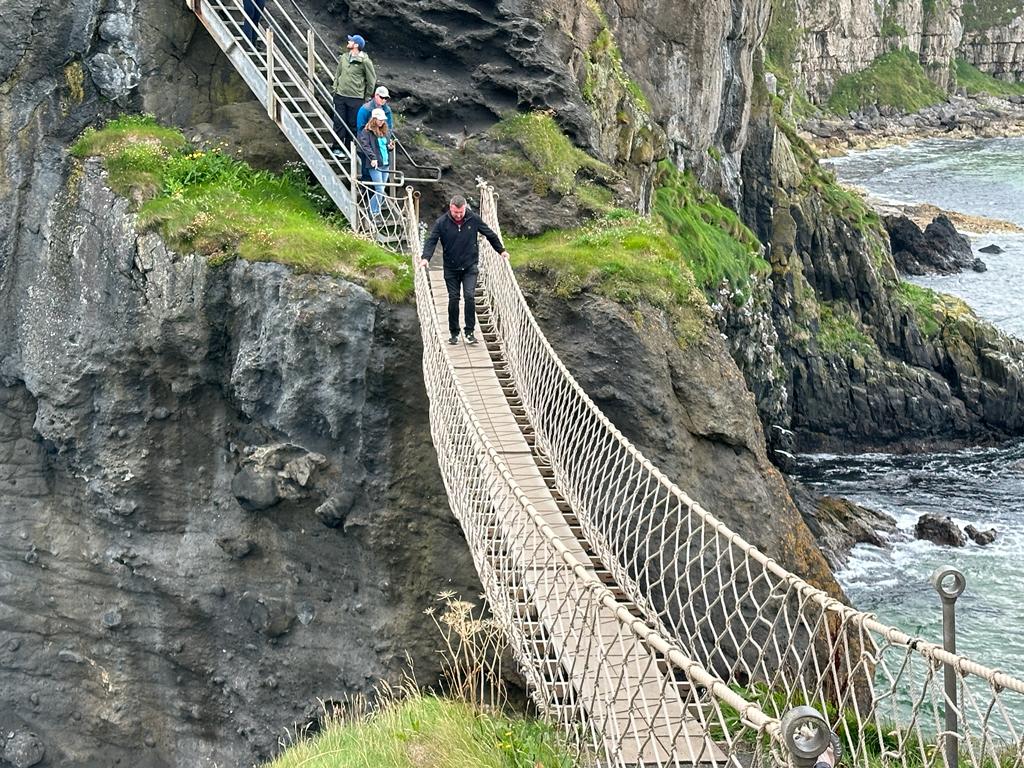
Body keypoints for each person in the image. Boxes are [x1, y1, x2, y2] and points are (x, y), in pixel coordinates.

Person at [419, 195, 510, 345]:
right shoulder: (442, 223)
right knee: (453, 299)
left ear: (465, 208)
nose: (459, 215)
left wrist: (501, 251)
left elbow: (490, 234)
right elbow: (431, 241)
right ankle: (454, 333)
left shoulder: (473, 219)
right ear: (450, 208)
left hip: (470, 266)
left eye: (461, 212)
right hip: (451, 268)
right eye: (456, 212)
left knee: (469, 296)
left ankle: (469, 332)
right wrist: (425, 258)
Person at [332, 34, 376, 155]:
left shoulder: (365, 62)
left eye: (351, 40)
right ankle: (337, 148)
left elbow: (371, 80)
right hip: (340, 96)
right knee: (338, 122)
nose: (348, 41)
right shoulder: (344, 58)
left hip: (356, 98)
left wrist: (366, 96)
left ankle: (348, 150)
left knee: (352, 125)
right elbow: (338, 74)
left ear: (356, 45)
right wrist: (335, 88)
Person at [357, 108, 392, 217]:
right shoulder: (366, 131)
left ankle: (375, 210)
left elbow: (384, 146)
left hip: (385, 163)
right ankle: (372, 211)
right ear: (374, 119)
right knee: (380, 189)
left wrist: (390, 147)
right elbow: (365, 146)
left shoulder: (385, 130)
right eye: (380, 119)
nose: (382, 121)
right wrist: (373, 158)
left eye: (383, 120)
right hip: (375, 164)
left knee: (381, 189)